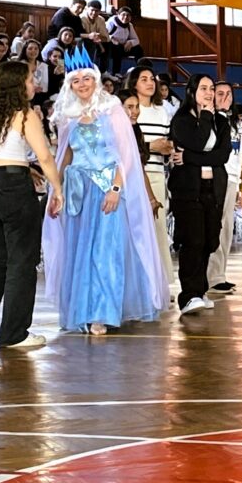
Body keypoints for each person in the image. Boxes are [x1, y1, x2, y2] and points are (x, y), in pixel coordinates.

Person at [42, 45, 167, 335]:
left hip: (107, 188)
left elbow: (126, 155)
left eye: (86, 79)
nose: (82, 85)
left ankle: (102, 311)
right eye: (76, 81)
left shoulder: (111, 110)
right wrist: (57, 191)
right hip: (78, 192)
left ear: (95, 80)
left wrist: (115, 188)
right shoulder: (67, 115)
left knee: (105, 252)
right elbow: (66, 155)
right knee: (80, 253)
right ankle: (83, 310)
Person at [0, 60, 64, 349]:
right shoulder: (25, 114)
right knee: (22, 261)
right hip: (13, 187)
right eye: (30, 78)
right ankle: (14, 333)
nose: (34, 83)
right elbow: (44, 156)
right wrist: (57, 188)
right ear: (17, 84)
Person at [168, 74, 232, 315]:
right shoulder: (182, 120)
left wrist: (189, 158)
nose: (208, 93)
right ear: (191, 92)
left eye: (211, 88)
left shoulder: (221, 122)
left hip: (212, 189)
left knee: (208, 240)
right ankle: (188, 295)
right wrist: (205, 115)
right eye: (203, 88)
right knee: (192, 240)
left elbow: (222, 155)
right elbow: (197, 140)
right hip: (188, 189)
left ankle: (200, 290)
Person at [126, 65, 175, 288]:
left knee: (158, 230)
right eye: (143, 78)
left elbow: (166, 142)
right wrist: (150, 146)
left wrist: (167, 148)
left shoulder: (162, 111)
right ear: (133, 82)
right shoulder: (127, 110)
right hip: (132, 174)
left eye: (152, 79)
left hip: (156, 172)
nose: (150, 82)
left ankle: (163, 282)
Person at [206, 81, 242, 295]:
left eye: (228, 93)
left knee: (227, 229)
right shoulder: (209, 119)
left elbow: (239, 157)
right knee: (215, 227)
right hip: (215, 178)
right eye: (219, 93)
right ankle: (211, 276)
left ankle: (220, 274)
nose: (225, 97)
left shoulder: (236, 122)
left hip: (232, 180)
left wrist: (238, 184)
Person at [104, 7, 144, 74]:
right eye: (123, 15)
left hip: (124, 47)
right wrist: (112, 39)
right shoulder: (111, 23)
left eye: (128, 15)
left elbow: (137, 40)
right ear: (118, 15)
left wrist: (130, 42)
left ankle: (141, 69)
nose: (125, 17)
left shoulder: (129, 26)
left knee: (138, 49)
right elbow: (104, 35)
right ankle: (116, 73)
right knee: (117, 48)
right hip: (111, 49)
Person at [82, 0, 110, 68]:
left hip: (97, 40)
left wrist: (97, 37)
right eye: (92, 10)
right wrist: (93, 36)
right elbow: (81, 34)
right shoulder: (82, 18)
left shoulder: (101, 19)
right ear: (87, 9)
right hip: (85, 40)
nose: (94, 13)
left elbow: (106, 38)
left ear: (100, 11)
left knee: (109, 44)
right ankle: (87, 68)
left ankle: (104, 71)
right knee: (89, 43)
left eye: (97, 11)